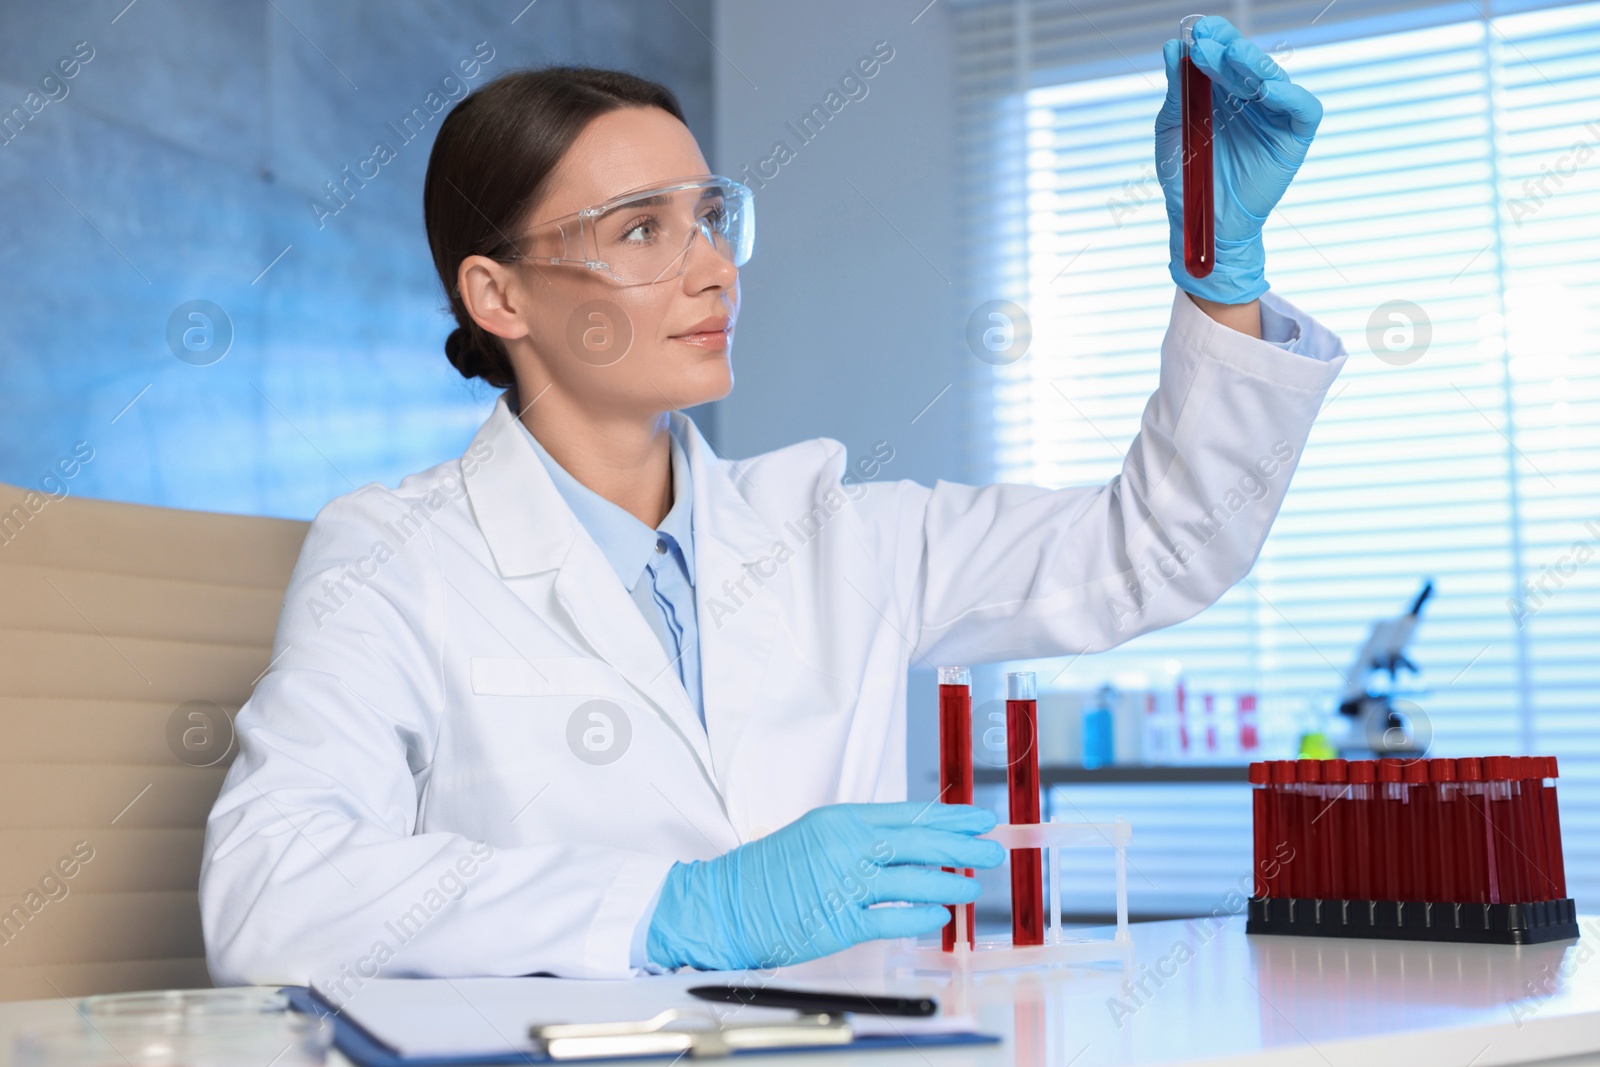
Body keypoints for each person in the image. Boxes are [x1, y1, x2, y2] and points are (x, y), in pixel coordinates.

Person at [200, 17, 1345, 986]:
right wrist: (670, 909)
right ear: (498, 293)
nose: (711, 267)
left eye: (709, 216)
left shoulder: (831, 529)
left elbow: (1150, 550)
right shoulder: (397, 551)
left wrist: (1218, 285)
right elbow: (269, 893)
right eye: (643, 229)